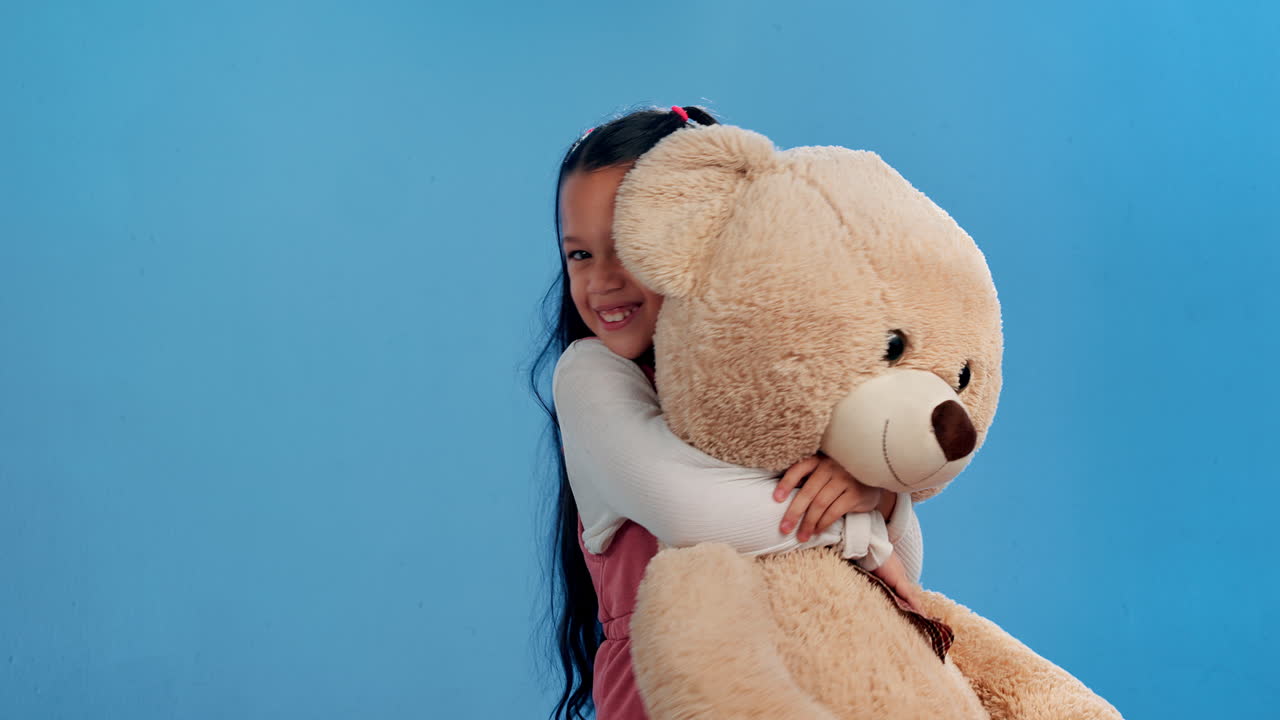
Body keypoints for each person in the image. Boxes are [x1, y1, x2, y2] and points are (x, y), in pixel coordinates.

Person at [529, 105, 929, 720]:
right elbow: (690, 511)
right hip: (665, 698)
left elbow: (902, 573)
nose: (602, 280)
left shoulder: (775, 386)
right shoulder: (589, 375)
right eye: (579, 255)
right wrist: (859, 522)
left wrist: (874, 497)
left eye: (627, 248)